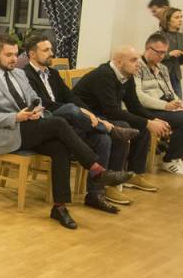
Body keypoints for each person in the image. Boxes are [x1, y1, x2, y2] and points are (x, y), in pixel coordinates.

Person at [0, 34, 132, 229]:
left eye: (15, 54)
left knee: (59, 147)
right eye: (8, 55)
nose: (14, 59)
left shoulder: (19, 74)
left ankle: (60, 207)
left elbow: (36, 100)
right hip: (6, 134)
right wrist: (16, 117)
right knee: (58, 123)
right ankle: (97, 169)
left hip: (30, 126)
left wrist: (36, 111)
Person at [22, 34, 139, 213]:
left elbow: (71, 96)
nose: (51, 53)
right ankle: (110, 128)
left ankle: (95, 194)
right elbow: (42, 103)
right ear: (32, 54)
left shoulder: (53, 73)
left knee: (102, 139)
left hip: (67, 122)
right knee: (70, 109)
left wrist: (88, 113)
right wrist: (79, 111)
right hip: (45, 119)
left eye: (51, 49)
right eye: (46, 50)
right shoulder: (25, 75)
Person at [73, 46, 171, 202]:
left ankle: (133, 174)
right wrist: (147, 122)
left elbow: (134, 105)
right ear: (119, 62)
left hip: (103, 116)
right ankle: (110, 184)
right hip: (85, 119)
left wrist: (152, 120)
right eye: (133, 60)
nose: (138, 64)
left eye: (137, 59)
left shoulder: (127, 75)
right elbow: (112, 111)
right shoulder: (104, 75)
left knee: (141, 128)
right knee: (123, 126)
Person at [134, 32, 183, 176]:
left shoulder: (162, 68)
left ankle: (180, 156)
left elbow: (170, 90)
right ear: (147, 48)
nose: (161, 56)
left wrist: (179, 103)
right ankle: (169, 160)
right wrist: (165, 106)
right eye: (158, 52)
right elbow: (138, 96)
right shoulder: (137, 66)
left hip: (166, 106)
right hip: (148, 109)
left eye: (164, 53)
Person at [158, 7, 183, 98]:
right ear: (167, 20)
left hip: (176, 77)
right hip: (161, 76)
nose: (180, 20)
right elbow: (151, 57)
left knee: (178, 103)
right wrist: (169, 54)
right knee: (163, 103)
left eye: (181, 17)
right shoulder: (158, 35)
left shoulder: (182, 37)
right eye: (177, 17)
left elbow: (181, 62)